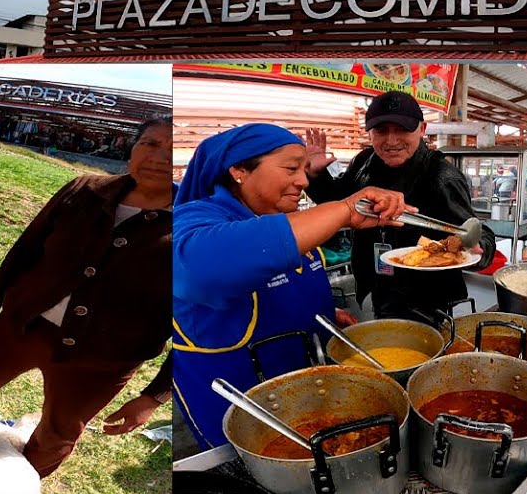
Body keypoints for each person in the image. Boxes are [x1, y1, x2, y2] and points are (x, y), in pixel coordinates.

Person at [0, 118, 175, 479]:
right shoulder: (85, 190)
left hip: (102, 360)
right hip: (22, 329)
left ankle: (18, 484)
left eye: (173, 149)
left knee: (57, 434)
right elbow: (25, 250)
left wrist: (154, 396)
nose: (159, 156)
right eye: (150, 143)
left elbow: (195, 319)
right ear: (132, 148)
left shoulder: (194, 228)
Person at [172, 123, 410, 450]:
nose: (303, 180)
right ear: (240, 170)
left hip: (304, 392)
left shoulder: (280, 214)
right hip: (241, 409)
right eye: (291, 168)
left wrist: (320, 311)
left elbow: (282, 283)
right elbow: (203, 270)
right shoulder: (192, 219)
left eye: (304, 169)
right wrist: (343, 209)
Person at [303, 91, 496, 319]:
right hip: (378, 286)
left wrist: (474, 247)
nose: (391, 141)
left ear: (422, 129)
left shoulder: (442, 177)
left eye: (402, 129)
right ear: (370, 133)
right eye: (381, 131)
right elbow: (338, 203)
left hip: (428, 300)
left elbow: (478, 233)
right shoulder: (364, 163)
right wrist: (316, 176)